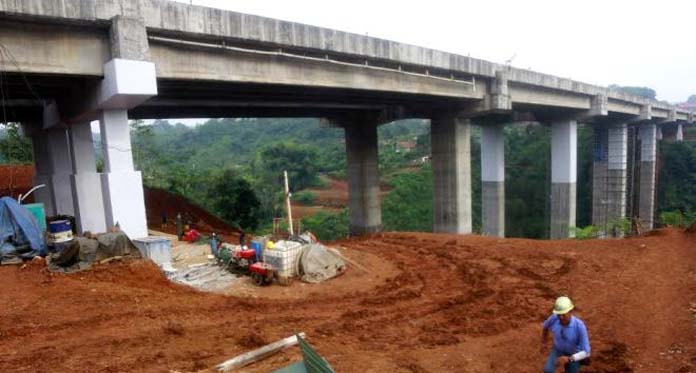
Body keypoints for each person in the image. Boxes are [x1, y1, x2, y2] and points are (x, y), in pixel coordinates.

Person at [541, 296, 591, 373]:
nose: (560, 317)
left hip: (573, 354)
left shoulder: (579, 326)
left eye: (563, 314)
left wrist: (569, 359)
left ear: (570, 311)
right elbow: (545, 327)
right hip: (557, 350)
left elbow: (586, 352)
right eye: (559, 314)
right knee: (547, 371)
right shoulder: (554, 318)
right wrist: (544, 342)